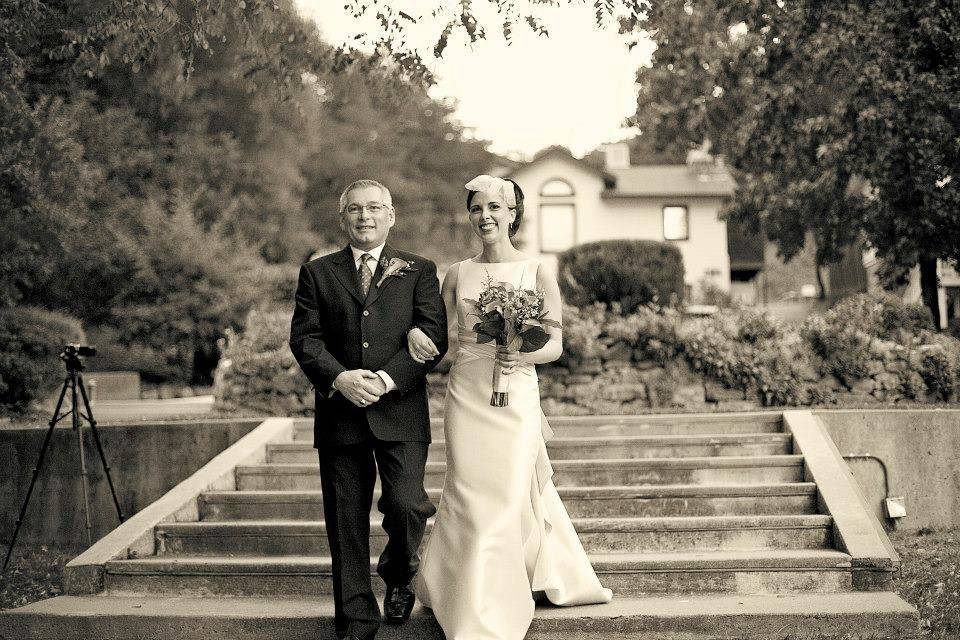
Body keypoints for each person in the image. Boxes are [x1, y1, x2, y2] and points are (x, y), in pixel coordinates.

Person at [411, 175, 613, 639]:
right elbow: (441, 340)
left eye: (495, 209)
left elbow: (556, 345)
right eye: (477, 209)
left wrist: (520, 351)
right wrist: (414, 338)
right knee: (466, 488)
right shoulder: (457, 274)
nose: (485, 217)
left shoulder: (538, 271)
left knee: (505, 491)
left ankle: (494, 599)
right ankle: (460, 589)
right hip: (468, 393)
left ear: (512, 214)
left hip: (517, 392)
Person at [289, 179, 448, 640]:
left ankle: (400, 574)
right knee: (345, 521)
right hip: (340, 413)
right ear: (343, 219)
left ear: (391, 216)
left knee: (407, 505)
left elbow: (432, 337)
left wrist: (385, 379)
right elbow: (305, 338)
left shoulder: (419, 270)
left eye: (375, 208)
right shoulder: (317, 273)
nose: (365, 216)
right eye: (355, 209)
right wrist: (339, 377)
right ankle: (357, 620)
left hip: (400, 410)